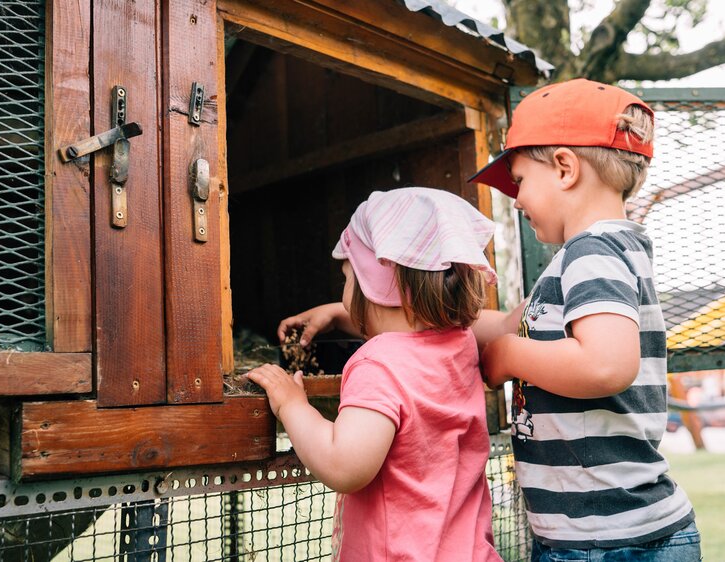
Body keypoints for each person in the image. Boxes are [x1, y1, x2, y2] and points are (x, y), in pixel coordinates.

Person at [279, 79, 701, 561]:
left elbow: (608, 364)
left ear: (564, 168)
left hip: (607, 540)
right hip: (608, 531)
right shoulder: (607, 255)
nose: (516, 201)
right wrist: (344, 312)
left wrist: (508, 354)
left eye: (519, 181)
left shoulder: (592, 252)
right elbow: (451, 325)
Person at [247, 187, 503, 562]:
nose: (346, 288)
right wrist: (338, 312)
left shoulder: (378, 364)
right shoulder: (460, 344)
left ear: (376, 283)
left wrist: (292, 405)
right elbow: (410, 330)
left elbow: (343, 464)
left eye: (348, 278)